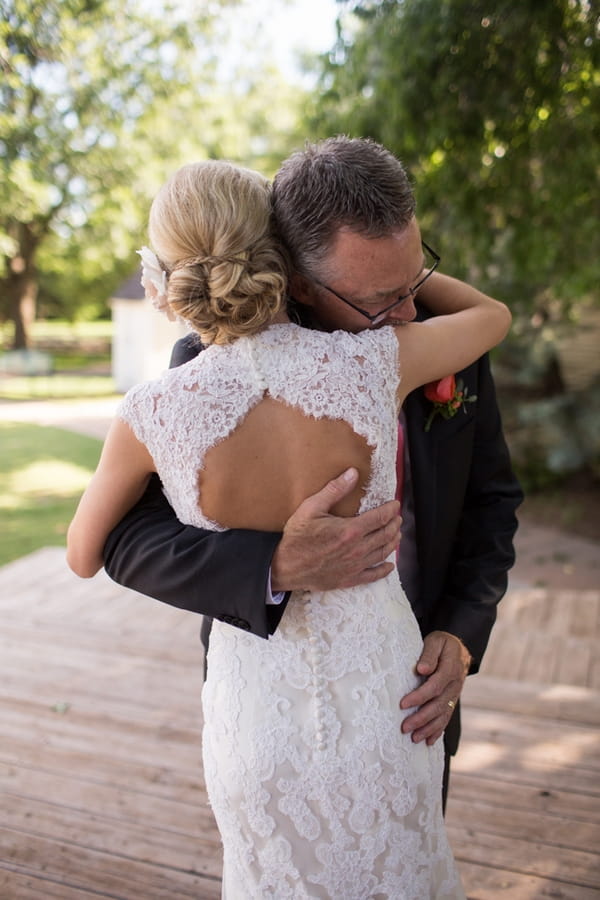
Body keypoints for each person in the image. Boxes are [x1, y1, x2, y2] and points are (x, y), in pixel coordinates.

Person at [68, 154, 511, 897]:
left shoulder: (154, 407)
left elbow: (492, 501)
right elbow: (126, 543)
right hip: (354, 693)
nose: (405, 310)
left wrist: (463, 634)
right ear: (297, 277)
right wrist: (268, 564)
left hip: (398, 696)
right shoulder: (379, 362)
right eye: (380, 297)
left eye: (414, 282)